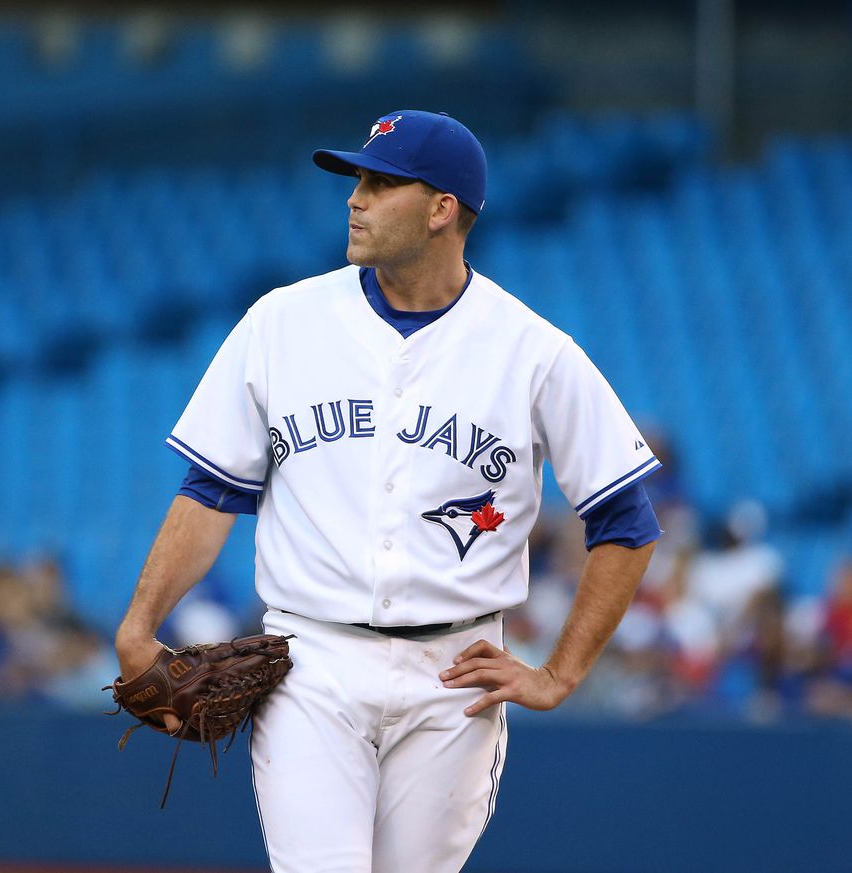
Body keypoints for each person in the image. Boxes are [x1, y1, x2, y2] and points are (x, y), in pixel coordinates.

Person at [114, 110, 662, 872]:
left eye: (379, 182)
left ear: (443, 209)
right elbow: (210, 491)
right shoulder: (282, 323)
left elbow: (626, 520)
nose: (354, 198)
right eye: (356, 180)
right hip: (311, 661)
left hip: (455, 675)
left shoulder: (533, 352)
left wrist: (559, 671)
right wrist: (139, 622)